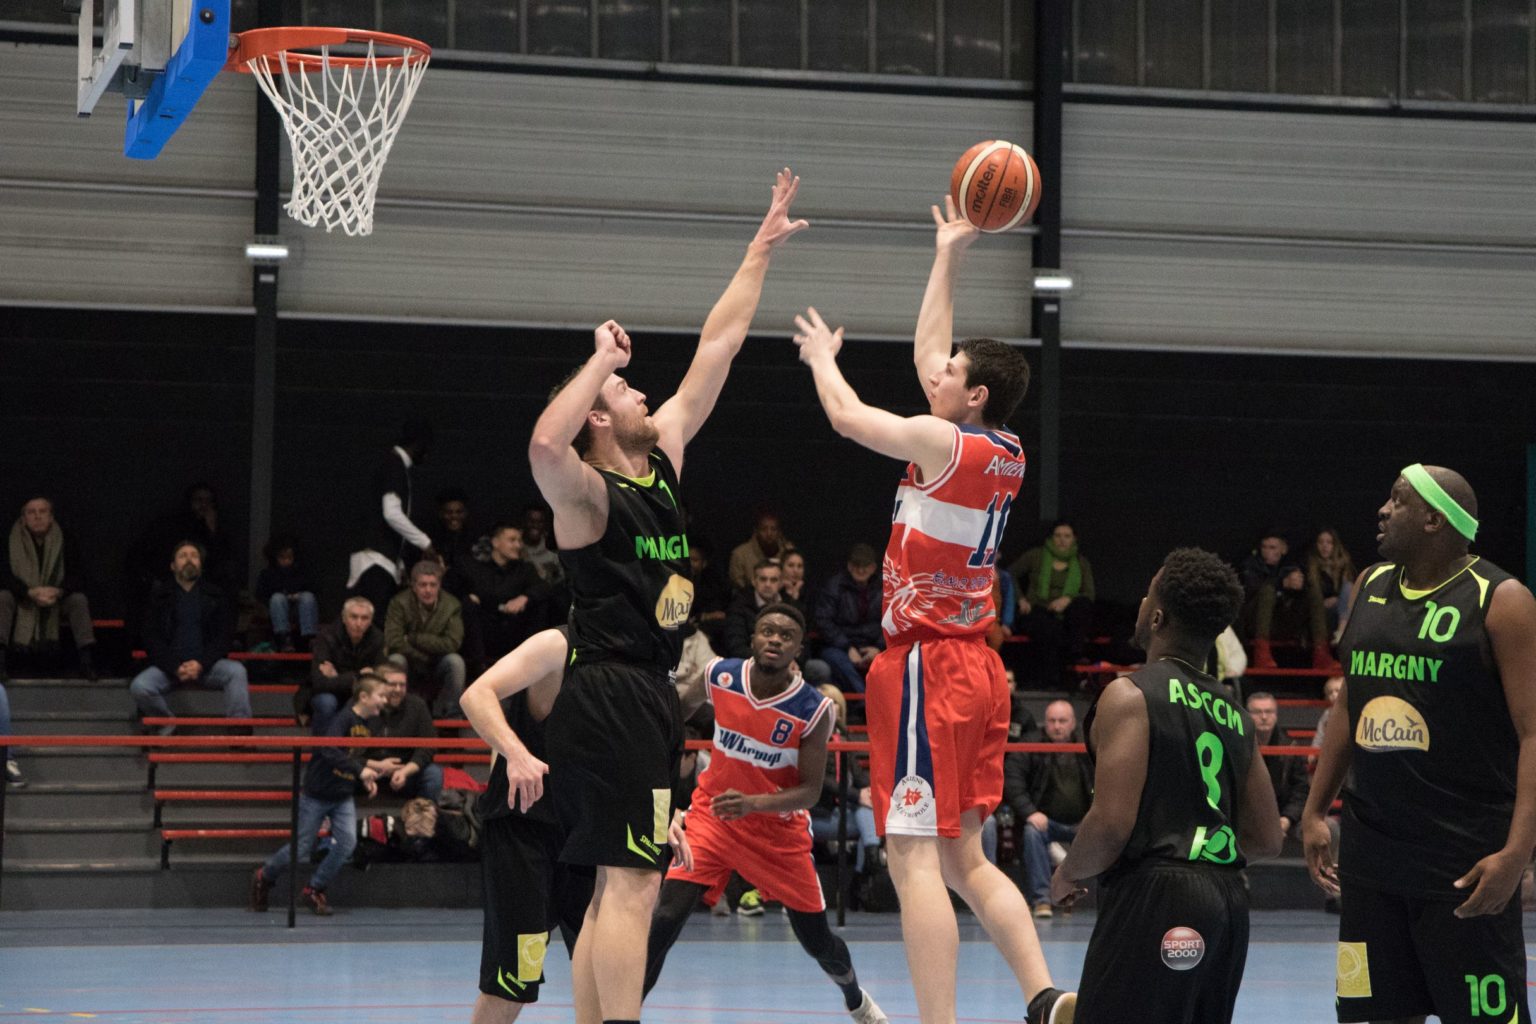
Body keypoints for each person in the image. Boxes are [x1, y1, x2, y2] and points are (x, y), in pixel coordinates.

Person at [526, 166, 805, 1024]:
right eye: (625, 391)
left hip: (647, 693)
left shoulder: (663, 464)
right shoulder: (587, 495)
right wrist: (599, 363)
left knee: (618, 887)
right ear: (597, 417)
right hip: (610, 687)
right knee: (633, 882)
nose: (643, 391)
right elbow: (543, 444)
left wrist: (759, 250)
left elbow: (717, 347)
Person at [791, 195, 1072, 1024]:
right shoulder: (1003, 448)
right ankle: (1044, 995)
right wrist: (949, 253)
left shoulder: (943, 442)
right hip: (980, 670)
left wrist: (821, 359)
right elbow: (927, 357)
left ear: (974, 393)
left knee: (912, 858)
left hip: (926, 667)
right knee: (966, 859)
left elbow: (847, 418)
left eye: (950, 372)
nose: (933, 373)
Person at [1302, 465, 1536, 1024]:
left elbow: (1534, 732)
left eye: (1398, 500)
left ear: (1434, 520)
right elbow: (1350, 702)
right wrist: (1314, 810)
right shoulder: (1370, 584)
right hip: (1372, 858)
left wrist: (1518, 853)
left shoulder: (1502, 600)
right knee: (1374, 1016)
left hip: (1463, 861)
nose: (1383, 510)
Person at [1050, 548, 1284, 1024]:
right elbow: (1267, 838)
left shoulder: (1129, 694)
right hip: (1227, 904)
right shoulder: (1235, 714)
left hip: (1155, 897)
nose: (1140, 603)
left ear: (1157, 617)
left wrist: (1069, 872)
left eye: (1147, 595)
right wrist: (1202, 854)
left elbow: (1111, 824)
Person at [646, 603, 888, 1024]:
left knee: (818, 942)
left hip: (777, 836)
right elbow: (672, 713)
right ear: (754, 638)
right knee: (664, 919)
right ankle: (621, 1015)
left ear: (798, 649)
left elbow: (810, 792)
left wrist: (753, 803)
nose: (775, 639)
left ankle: (855, 999)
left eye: (786, 635)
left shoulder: (814, 709)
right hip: (712, 820)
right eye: (767, 631)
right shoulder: (720, 675)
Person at [460, 627, 596, 1023]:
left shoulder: (640, 659)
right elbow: (476, 695)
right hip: (524, 831)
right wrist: (515, 753)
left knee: (606, 973)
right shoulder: (557, 645)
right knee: (515, 977)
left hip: (589, 834)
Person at [249, 672, 389, 917]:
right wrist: (360, 771)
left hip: (342, 795)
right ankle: (265, 875)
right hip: (317, 794)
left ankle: (315, 888)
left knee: (347, 843)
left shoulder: (369, 725)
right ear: (364, 697)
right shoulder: (343, 719)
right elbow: (329, 749)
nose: (385, 701)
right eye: (381, 695)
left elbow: (352, 756)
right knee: (302, 847)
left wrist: (364, 778)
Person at [128, 541, 251, 733]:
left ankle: (239, 731)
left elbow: (224, 637)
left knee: (237, 672)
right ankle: (166, 723)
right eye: (183, 556)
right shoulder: (159, 597)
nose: (189, 560)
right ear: (172, 565)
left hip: (207, 665)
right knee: (140, 686)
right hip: (170, 667)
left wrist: (201, 663)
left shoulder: (216, 596)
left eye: (194, 556)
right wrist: (174, 666)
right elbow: (151, 638)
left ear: (201, 564)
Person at [1003, 699, 1093, 918]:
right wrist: (1030, 812)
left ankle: (1105, 901)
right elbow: (1012, 780)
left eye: (1062, 721)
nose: (1057, 726)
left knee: (1110, 833)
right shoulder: (1030, 744)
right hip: (1045, 822)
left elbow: (1105, 782)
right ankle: (1042, 900)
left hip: (1084, 822)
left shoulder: (1089, 747)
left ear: (1073, 723)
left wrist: (1096, 815)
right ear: (1045, 722)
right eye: (1052, 721)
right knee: (1032, 832)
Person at [1, 495, 97, 681]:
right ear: (23, 519)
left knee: (78, 600)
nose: (37, 516)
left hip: (55, 598)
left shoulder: (65, 538)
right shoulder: (9, 540)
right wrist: (28, 592)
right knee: (2, 598)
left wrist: (58, 591)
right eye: (31, 512)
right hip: (22, 597)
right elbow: (3, 575)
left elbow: (78, 574)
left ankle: (87, 663)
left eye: (42, 511)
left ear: (51, 517)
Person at [348, 421, 437, 619]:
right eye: (427, 448)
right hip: (375, 559)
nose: (428, 455)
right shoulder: (394, 465)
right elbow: (392, 514)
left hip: (380, 557)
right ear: (418, 444)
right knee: (375, 620)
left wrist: (399, 563)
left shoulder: (392, 465)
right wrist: (425, 543)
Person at [1010, 521, 1096, 687]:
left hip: (1067, 613)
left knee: (1082, 606)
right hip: (1038, 609)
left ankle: (1075, 657)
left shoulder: (1081, 562)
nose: (1062, 540)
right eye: (1058, 536)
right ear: (1051, 538)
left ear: (1074, 539)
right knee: (1048, 629)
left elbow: (1089, 593)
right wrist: (1020, 599)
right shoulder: (1036, 555)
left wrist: (1067, 599)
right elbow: (1010, 574)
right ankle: (1050, 681)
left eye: (1067, 536)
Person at [384, 560, 466, 717]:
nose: (428, 590)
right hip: (410, 661)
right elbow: (393, 640)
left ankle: (451, 716)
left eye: (433, 585)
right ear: (414, 586)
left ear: (439, 586)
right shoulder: (399, 603)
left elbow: (452, 643)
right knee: (395, 660)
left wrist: (414, 638)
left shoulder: (452, 605)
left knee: (455, 662)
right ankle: (396, 713)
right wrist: (422, 656)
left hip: (437, 663)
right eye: (423, 585)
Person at [464, 523, 549, 665]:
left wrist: (525, 597)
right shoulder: (479, 569)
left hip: (515, 630)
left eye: (519, 541)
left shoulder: (525, 569)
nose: (518, 545)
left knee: (540, 603)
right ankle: (480, 666)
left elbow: (544, 587)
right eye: (512, 540)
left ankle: (531, 661)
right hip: (487, 632)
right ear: (495, 542)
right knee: (468, 603)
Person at [301, 596, 386, 734]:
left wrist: (337, 676)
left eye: (364, 618)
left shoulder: (378, 639)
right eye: (354, 617)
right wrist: (358, 676)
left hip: (360, 695)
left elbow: (377, 682)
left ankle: (364, 747)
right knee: (326, 702)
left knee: (370, 700)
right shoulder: (326, 637)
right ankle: (323, 748)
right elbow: (319, 682)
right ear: (344, 618)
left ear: (371, 621)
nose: (359, 623)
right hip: (327, 694)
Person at [366, 659, 443, 801]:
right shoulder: (364, 704)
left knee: (433, 774)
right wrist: (376, 766)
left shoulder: (417, 706)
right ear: (378, 685)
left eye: (402, 685)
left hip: (405, 773)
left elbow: (429, 746)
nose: (398, 689)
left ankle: (423, 814)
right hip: (367, 772)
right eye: (392, 684)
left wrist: (405, 772)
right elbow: (347, 751)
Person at [813, 544, 884, 694]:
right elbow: (823, 620)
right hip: (840, 647)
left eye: (865, 566)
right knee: (835, 659)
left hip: (875, 646)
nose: (861, 570)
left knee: (896, 659)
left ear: (873, 568)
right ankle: (864, 700)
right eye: (857, 565)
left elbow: (892, 621)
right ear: (849, 566)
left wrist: (879, 647)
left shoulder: (885, 587)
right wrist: (847, 647)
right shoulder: (834, 586)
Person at [1244, 691, 1309, 842]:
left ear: (1276, 715)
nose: (1264, 717)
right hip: (1247, 821)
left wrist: (1286, 819)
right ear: (1247, 716)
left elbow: (1301, 790)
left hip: (1285, 819)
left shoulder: (1291, 747)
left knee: (1330, 827)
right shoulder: (1238, 746)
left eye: (1269, 711)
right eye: (1257, 712)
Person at [256, 534, 317, 652]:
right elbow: (261, 595)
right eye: (282, 557)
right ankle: (284, 638)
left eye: (289, 557)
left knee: (307, 597)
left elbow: (314, 590)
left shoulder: (303, 572)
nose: (286, 561)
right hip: (277, 611)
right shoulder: (267, 574)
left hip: (301, 611)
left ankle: (310, 639)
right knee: (277, 598)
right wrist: (283, 596)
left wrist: (297, 595)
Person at [1306, 527, 1356, 645]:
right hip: (1319, 611)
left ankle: (1341, 631)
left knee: (1348, 587)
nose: (1325, 546)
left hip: (1340, 610)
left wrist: (1337, 599)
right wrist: (1322, 602)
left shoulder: (1343, 565)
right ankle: (1340, 634)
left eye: (1329, 542)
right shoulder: (1310, 566)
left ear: (1334, 545)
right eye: (1321, 542)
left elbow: (1349, 594)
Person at [728, 511, 794, 590]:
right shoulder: (740, 555)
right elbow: (738, 588)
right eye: (764, 529)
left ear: (779, 532)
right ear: (756, 531)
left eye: (773, 529)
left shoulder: (789, 553)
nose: (769, 533)